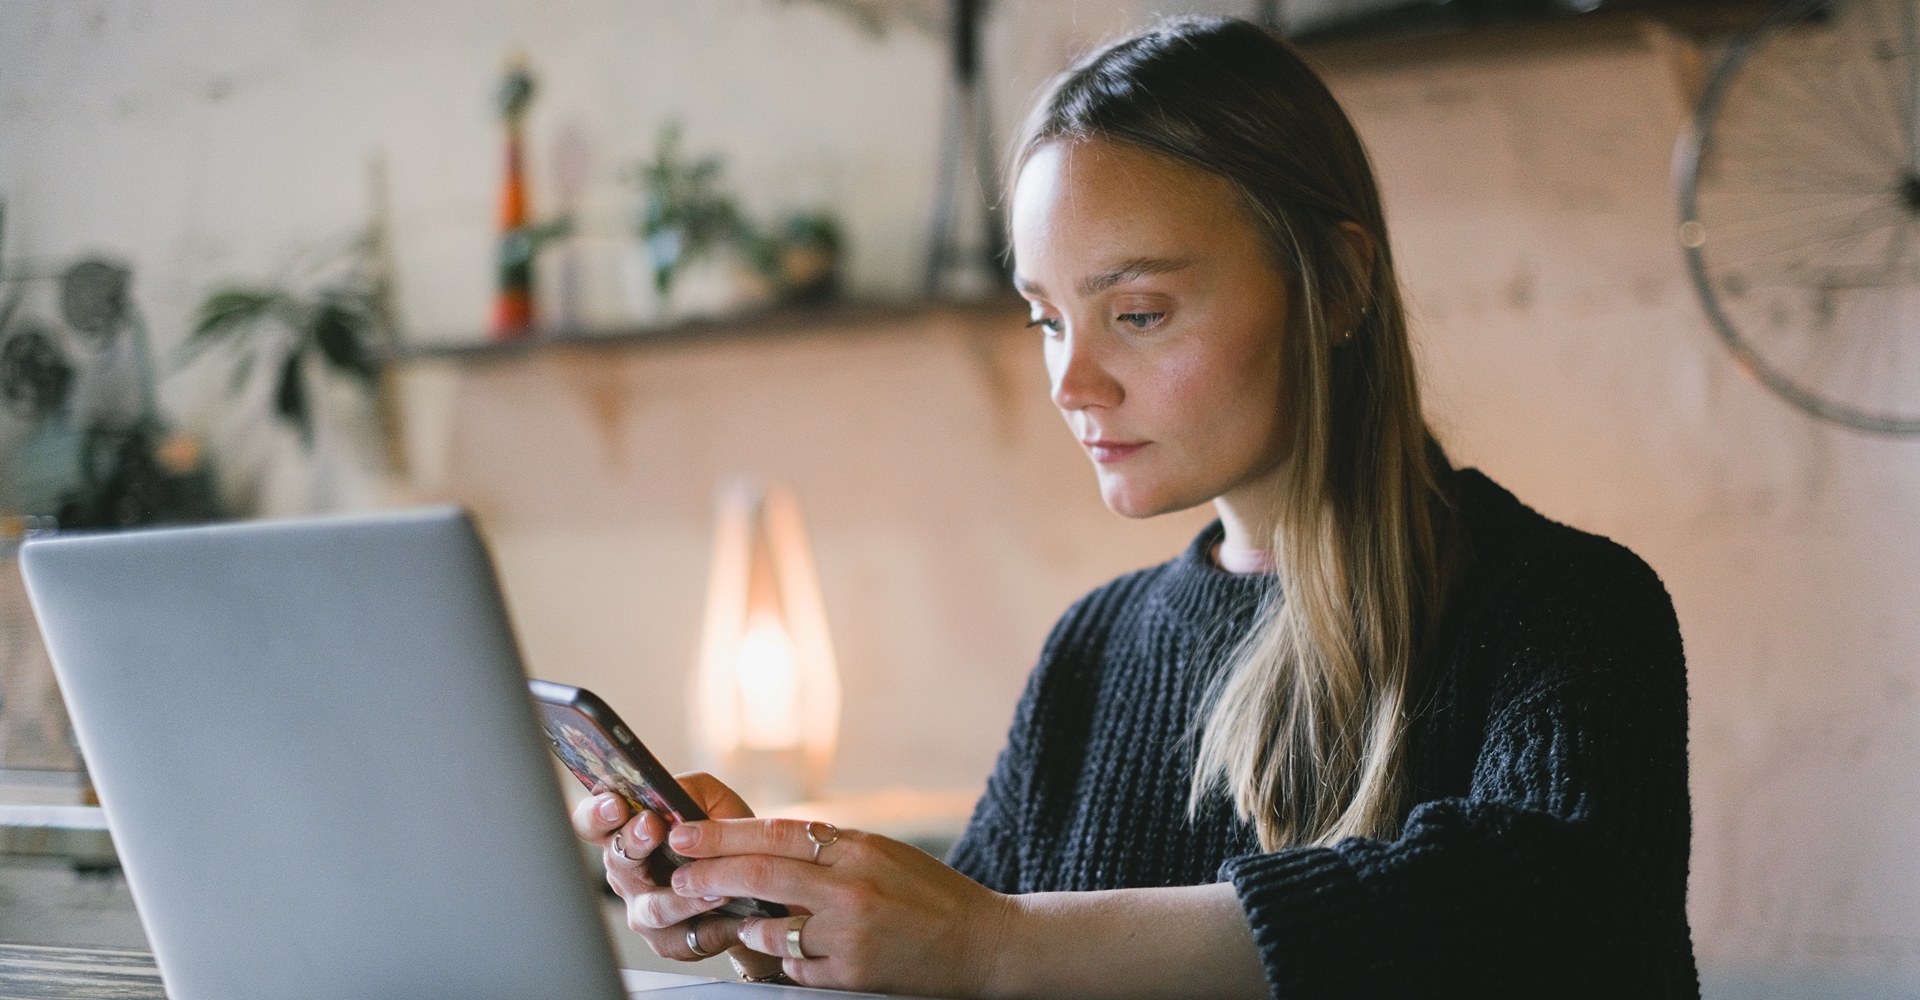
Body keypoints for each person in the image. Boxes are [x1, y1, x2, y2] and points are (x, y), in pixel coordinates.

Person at [574, 17, 1697, 999]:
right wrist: (783, 916)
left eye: (1141, 312)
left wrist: (997, 944)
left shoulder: (1568, 606)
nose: (1073, 382)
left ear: (1342, 284)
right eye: (1047, 318)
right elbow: (966, 957)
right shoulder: (1094, 650)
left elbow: (1545, 915)